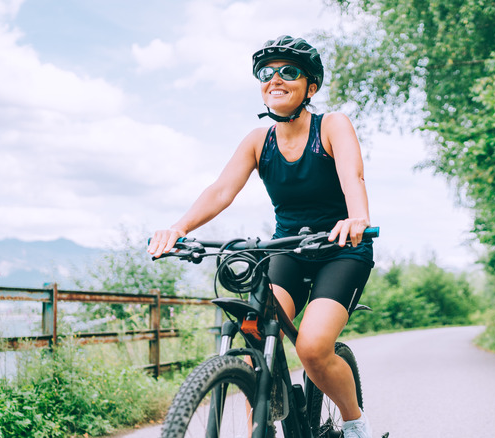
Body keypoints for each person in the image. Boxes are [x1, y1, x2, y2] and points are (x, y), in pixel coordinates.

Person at [147, 35, 375, 438]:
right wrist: (179, 228)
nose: (276, 79)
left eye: (289, 72)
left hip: (342, 248)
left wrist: (356, 218)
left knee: (312, 347)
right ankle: (267, 421)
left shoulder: (332, 125)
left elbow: (352, 175)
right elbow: (221, 191)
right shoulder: (258, 140)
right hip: (287, 248)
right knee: (255, 333)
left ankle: (355, 421)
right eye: (267, 74)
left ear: (311, 86)